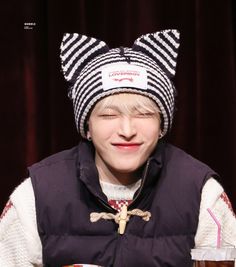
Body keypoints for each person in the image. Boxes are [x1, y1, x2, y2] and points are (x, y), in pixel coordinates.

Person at [0, 29, 236, 267]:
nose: (127, 130)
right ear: (87, 127)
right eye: (109, 115)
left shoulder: (202, 193)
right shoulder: (35, 195)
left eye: (144, 114)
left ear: (162, 125)